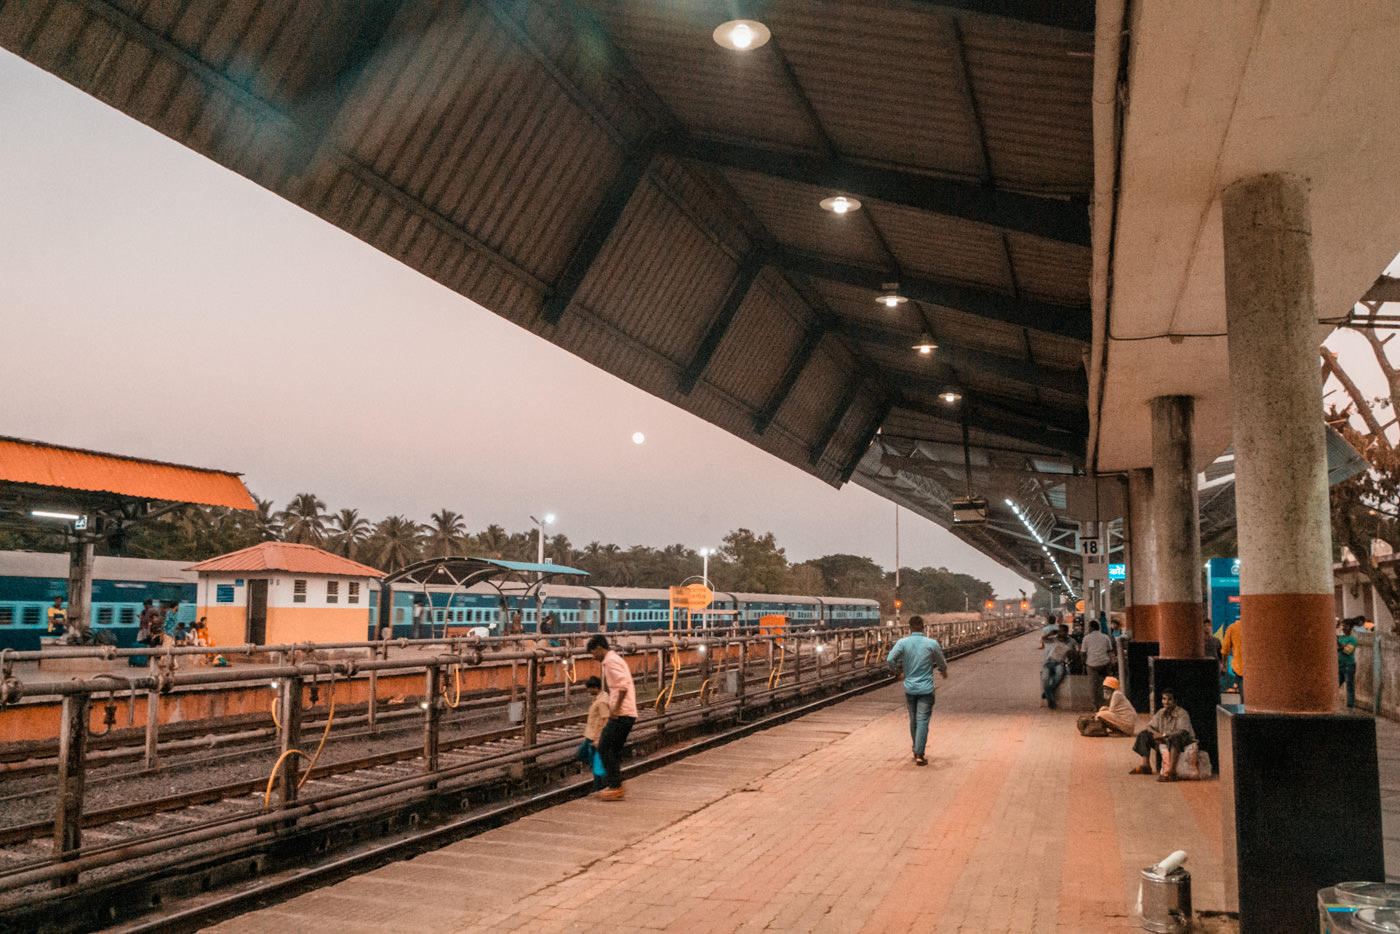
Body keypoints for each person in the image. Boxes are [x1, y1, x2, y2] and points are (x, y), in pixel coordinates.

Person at [886, 616, 949, 766]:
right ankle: (919, 753)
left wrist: (897, 673)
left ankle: (916, 749)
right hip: (926, 689)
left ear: (909, 627)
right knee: (922, 721)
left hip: (910, 688)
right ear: (923, 626)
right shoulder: (931, 643)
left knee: (914, 719)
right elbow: (941, 661)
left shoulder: (903, 643)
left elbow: (890, 659)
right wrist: (943, 671)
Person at [588, 634, 636, 800]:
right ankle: (615, 786)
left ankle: (615, 787)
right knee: (611, 749)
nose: (593, 657)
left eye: (593, 653)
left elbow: (622, 686)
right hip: (626, 713)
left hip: (622, 713)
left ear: (600, 648)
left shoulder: (609, 661)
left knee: (604, 747)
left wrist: (614, 711)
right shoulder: (613, 659)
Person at [1130, 688, 1195, 781]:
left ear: (1175, 701)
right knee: (1144, 734)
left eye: (1169, 699)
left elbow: (1182, 731)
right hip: (1164, 739)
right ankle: (1146, 765)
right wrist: (1156, 734)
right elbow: (1149, 726)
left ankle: (1172, 772)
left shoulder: (1182, 713)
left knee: (1175, 737)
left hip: (1181, 741)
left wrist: (1163, 735)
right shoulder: (1161, 712)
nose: (1166, 702)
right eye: (1164, 699)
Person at [580, 675, 610, 792]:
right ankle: (599, 785)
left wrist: (600, 739)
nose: (588, 691)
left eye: (589, 689)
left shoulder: (601, 702)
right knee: (595, 761)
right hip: (591, 734)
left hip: (595, 736)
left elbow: (606, 719)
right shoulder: (600, 698)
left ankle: (599, 786)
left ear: (594, 688)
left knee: (595, 761)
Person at [1080, 620, 1114, 709]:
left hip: (1092, 664)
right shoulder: (1105, 637)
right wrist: (1111, 664)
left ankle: (1095, 705)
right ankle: (1107, 704)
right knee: (1106, 685)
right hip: (1105, 663)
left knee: (1093, 686)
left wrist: (1083, 666)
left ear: (1091, 628)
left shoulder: (1086, 638)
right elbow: (1110, 651)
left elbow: (1083, 653)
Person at [1041, 629, 1074, 709]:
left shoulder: (1071, 642)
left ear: (1066, 633)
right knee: (1045, 679)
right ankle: (1050, 699)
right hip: (1048, 662)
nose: (1061, 633)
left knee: (1059, 675)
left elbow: (1075, 651)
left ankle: (1048, 691)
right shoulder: (1054, 640)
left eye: (1063, 631)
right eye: (1060, 632)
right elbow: (1043, 639)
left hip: (1059, 663)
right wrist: (1049, 633)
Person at [1221, 617, 1245, 700]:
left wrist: (1223, 665)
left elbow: (1225, 650)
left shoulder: (1232, 628)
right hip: (1255, 668)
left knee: (1244, 696)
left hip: (1240, 668)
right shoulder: (1256, 627)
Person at [1338, 618, 1359, 708]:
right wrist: (1341, 646)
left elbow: (1347, 651)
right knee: (1336, 684)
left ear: (1350, 628)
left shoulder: (1352, 639)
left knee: (1349, 685)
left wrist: (1340, 646)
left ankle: (1350, 705)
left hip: (1349, 665)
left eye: (1346, 626)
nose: (1344, 628)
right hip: (1340, 665)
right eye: (1343, 626)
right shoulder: (1340, 638)